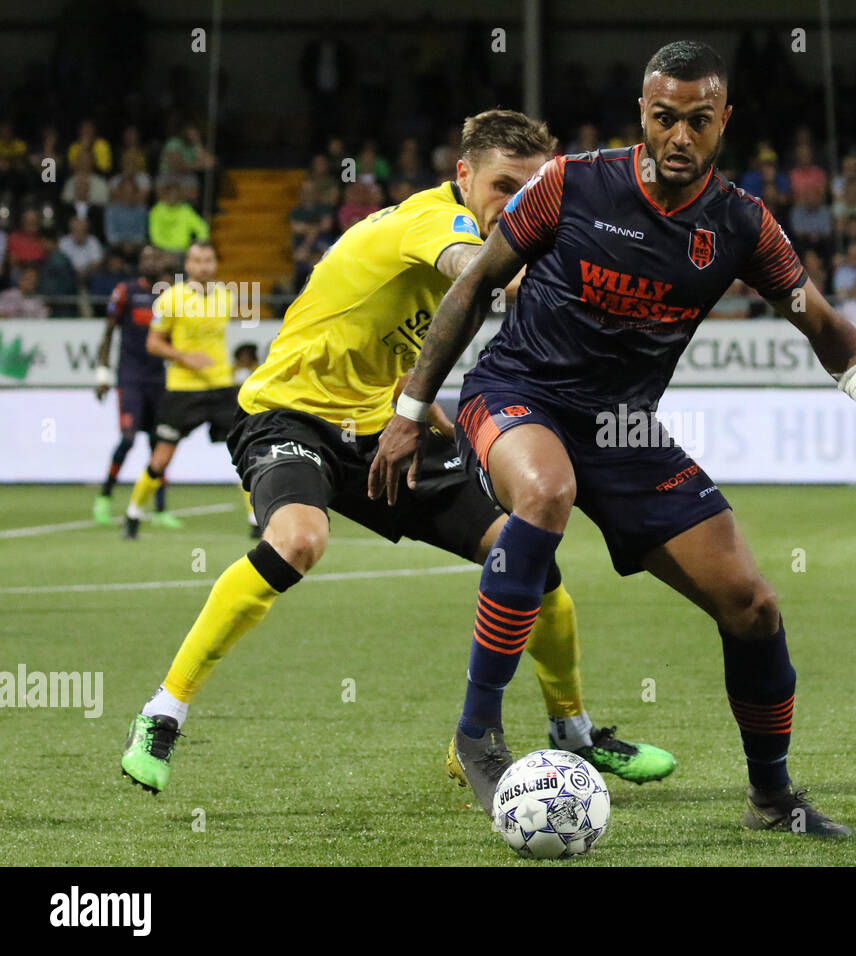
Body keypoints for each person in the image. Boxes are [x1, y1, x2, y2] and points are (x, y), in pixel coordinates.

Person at [370, 41, 856, 838]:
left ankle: (772, 798)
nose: (678, 138)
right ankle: (478, 735)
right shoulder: (571, 183)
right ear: (642, 117)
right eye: (663, 119)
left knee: (752, 605)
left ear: (724, 122)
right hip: (518, 392)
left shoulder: (739, 224)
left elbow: (824, 326)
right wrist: (411, 410)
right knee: (546, 493)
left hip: (622, 431)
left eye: (697, 121)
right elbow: (477, 282)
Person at [120, 110, 674, 797]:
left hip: (383, 426)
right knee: (298, 540)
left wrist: (430, 416)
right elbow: (473, 272)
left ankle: (572, 732)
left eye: (531, 190)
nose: (516, 202)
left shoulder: (493, 228)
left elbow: (409, 341)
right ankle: (162, 713)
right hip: (290, 415)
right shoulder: (436, 223)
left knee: (527, 553)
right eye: (503, 183)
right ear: (463, 175)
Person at [119, 241, 254, 539]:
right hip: (183, 389)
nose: (203, 265)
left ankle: (256, 519)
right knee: (161, 459)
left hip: (221, 387)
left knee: (245, 452)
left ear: (214, 264)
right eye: (197, 260)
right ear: (188, 265)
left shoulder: (227, 296)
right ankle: (133, 514)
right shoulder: (170, 299)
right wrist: (185, 357)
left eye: (209, 260)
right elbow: (153, 343)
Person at [92, 246, 174, 526]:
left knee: (160, 442)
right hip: (130, 378)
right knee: (127, 439)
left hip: (158, 379)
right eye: (145, 257)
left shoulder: (170, 295)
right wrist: (102, 373)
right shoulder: (126, 291)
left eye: (155, 257)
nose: (150, 261)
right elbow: (108, 331)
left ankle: (161, 509)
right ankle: (104, 496)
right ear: (139, 262)